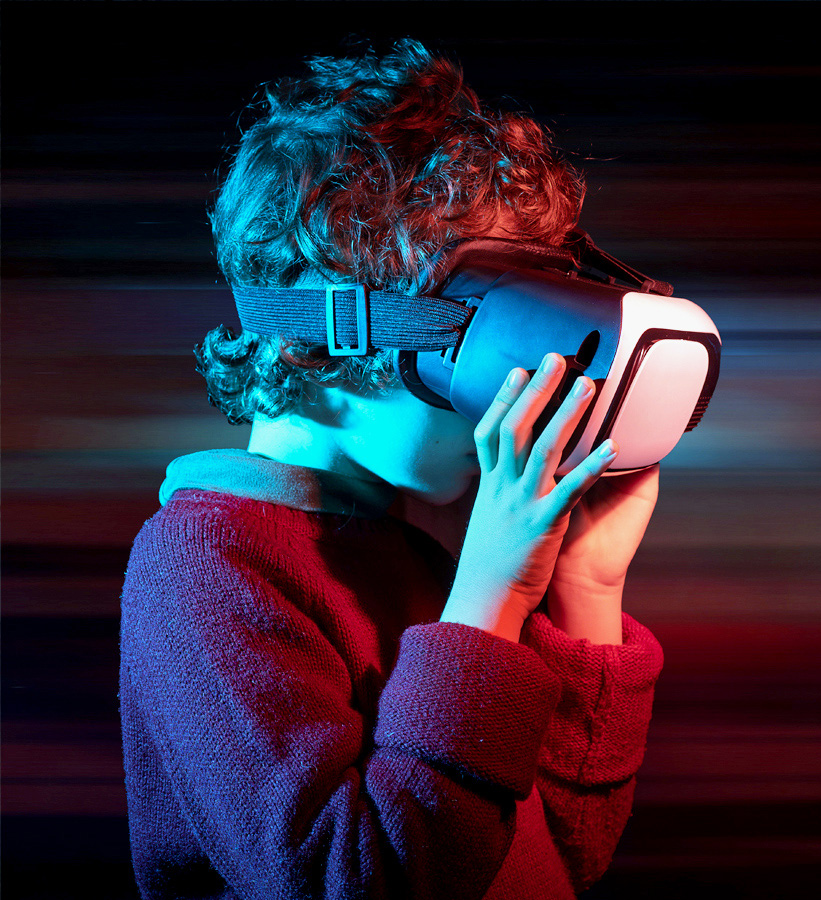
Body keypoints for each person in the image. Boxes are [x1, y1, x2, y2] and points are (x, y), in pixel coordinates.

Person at [120, 40, 663, 899]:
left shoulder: (420, 538)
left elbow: (562, 859)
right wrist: (491, 596)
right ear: (317, 336)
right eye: (485, 338)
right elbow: (361, 880)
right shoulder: (204, 565)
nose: (519, 390)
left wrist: (588, 590)